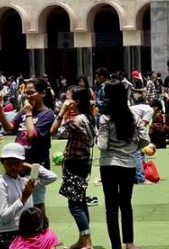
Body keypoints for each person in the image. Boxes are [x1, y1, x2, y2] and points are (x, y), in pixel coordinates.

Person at [97, 81, 149, 249]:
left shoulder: (105, 117)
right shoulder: (133, 116)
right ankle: (129, 243)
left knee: (111, 207)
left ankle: (116, 246)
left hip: (108, 164)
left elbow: (102, 146)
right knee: (126, 204)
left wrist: (99, 135)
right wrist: (132, 146)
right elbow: (144, 140)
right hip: (128, 164)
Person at [0, 78, 55, 218]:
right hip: (19, 164)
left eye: (32, 92)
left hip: (35, 165)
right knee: (20, 200)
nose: (28, 96)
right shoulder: (23, 112)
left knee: (36, 202)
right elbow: (8, 128)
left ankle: (42, 229)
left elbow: (32, 135)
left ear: (42, 93)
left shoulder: (47, 114)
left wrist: (29, 113)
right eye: (27, 93)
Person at [50, 87, 95, 249]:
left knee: (74, 205)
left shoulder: (76, 120)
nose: (65, 101)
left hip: (75, 164)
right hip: (82, 163)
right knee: (80, 202)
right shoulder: (86, 117)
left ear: (75, 101)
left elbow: (53, 131)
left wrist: (62, 111)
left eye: (68, 99)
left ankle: (87, 242)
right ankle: (83, 240)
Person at [0, 143, 57, 249]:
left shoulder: (25, 181)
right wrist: (23, 199)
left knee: (50, 236)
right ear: (3, 163)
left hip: (28, 233)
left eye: (16, 163)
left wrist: (32, 167)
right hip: (8, 234)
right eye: (9, 163)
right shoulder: (1, 183)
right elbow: (3, 218)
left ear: (22, 163)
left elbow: (52, 177)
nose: (13, 167)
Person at [130, 95, 154, 185]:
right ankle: (140, 178)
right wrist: (146, 141)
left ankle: (134, 177)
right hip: (132, 127)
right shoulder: (150, 110)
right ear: (156, 108)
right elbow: (142, 125)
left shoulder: (139, 107)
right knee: (138, 153)